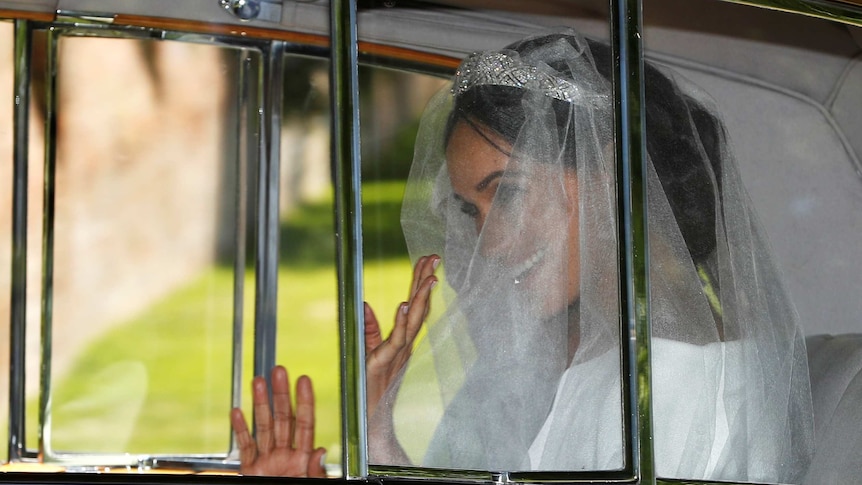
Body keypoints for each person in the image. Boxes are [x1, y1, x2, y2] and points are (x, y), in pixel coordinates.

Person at [230, 29, 814, 482]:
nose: (489, 247)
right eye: (471, 212)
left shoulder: (673, 381)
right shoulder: (589, 355)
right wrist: (379, 431)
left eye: (506, 193)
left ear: (612, 175)